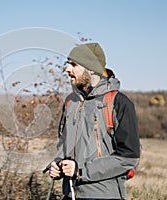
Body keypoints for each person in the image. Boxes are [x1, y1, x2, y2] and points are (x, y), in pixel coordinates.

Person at [49, 42, 141, 200]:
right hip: (69, 194)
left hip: (104, 195)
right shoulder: (70, 102)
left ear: (90, 68)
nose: (67, 69)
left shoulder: (119, 103)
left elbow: (129, 157)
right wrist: (57, 163)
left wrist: (81, 171)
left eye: (73, 64)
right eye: (67, 64)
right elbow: (64, 144)